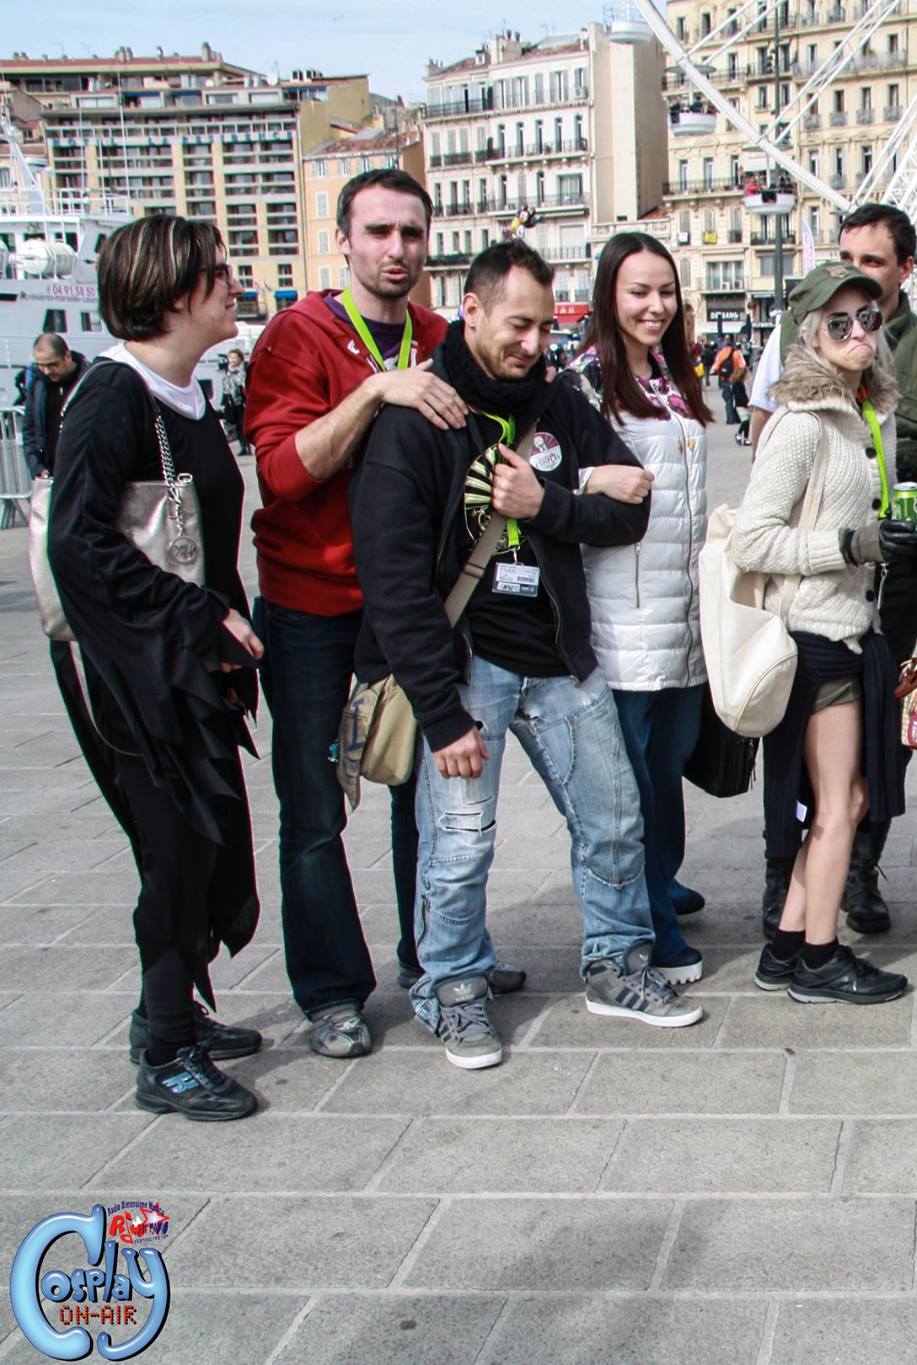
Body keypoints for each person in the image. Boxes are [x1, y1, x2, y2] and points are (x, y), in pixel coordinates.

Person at [353, 240, 703, 1070]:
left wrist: (546, 499)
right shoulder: (418, 420)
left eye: (546, 327)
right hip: (464, 663)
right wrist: (441, 713)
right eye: (518, 325)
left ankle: (616, 963)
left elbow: (630, 511)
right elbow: (393, 582)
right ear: (471, 309)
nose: (534, 343)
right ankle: (453, 986)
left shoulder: (559, 402)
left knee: (613, 817)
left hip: (558, 654)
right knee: (460, 842)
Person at [241, 168, 486, 1060]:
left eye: (412, 233)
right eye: (379, 232)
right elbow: (282, 472)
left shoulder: (440, 336)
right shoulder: (299, 334)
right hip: (311, 603)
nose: (397, 250)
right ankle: (332, 990)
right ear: (343, 240)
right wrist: (379, 391)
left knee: (424, 789)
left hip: (411, 606)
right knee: (314, 806)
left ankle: (435, 955)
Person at [47, 214, 266, 1120]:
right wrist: (200, 614)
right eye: (216, 270)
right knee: (174, 851)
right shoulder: (112, 394)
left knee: (201, 844)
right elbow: (78, 545)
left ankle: (169, 1013)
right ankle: (168, 1051)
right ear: (173, 291)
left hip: (186, 665)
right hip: (139, 676)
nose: (232, 282)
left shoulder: (182, 391)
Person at [733, 261, 917, 1005]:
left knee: (848, 799)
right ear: (810, 336)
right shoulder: (801, 423)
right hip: (814, 634)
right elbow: (752, 539)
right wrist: (847, 546)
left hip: (854, 628)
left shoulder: (868, 412)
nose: (857, 333)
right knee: (839, 806)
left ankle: (785, 947)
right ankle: (820, 959)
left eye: (868, 319)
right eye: (838, 323)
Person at [566, 232, 717, 987]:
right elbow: (542, 477)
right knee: (629, 782)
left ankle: (663, 876)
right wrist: (591, 478)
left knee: (669, 760)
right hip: (622, 616)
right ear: (609, 297)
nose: (654, 306)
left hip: (682, 610)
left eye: (665, 292)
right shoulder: (584, 382)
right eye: (638, 292)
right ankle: (647, 918)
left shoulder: (668, 375)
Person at [23, 332, 84, 479]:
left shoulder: (89, 379)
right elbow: (29, 429)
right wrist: (37, 467)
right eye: (41, 365)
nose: (47, 371)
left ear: (67, 356)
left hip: (83, 472)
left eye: (52, 364)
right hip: (50, 472)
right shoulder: (37, 386)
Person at [217, 346, 248, 455]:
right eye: (230, 358)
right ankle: (243, 446)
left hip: (244, 402)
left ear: (240, 358)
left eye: (235, 358)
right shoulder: (228, 371)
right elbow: (226, 388)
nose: (232, 360)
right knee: (237, 425)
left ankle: (247, 444)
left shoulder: (245, 369)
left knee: (245, 424)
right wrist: (224, 403)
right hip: (233, 402)